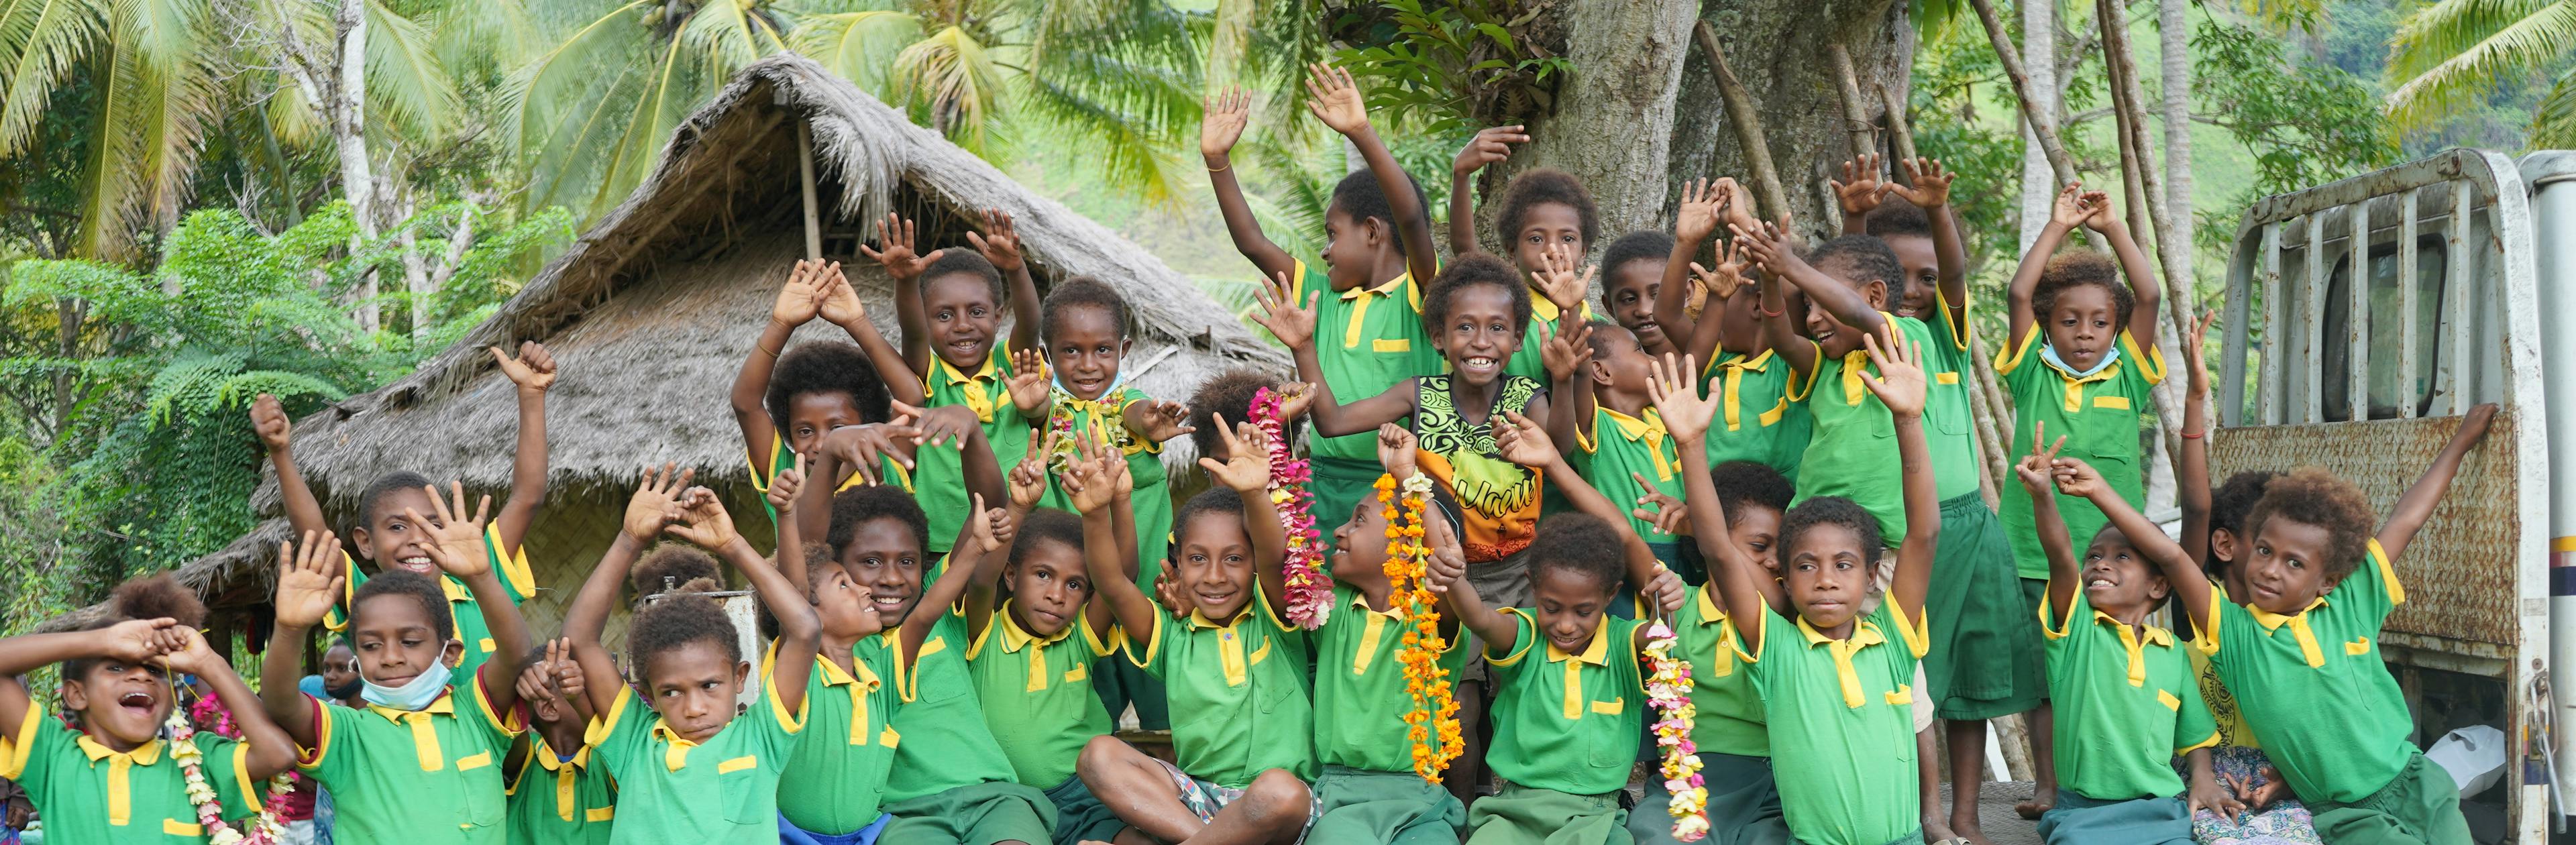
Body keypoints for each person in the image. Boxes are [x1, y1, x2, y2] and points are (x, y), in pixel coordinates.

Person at [2114, 398, 2497, 845]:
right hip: (2344, 814)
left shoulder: (2352, 602)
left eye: (2294, 563)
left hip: (2414, 782)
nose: (2271, 570)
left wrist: (2463, 440)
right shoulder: (2236, 635)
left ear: (2328, 581)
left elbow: (2407, 520)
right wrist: (2099, 490)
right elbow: (2170, 556)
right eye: (2263, 551)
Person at [1659, 323, 1939, 845]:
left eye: (1844, 565)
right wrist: (1691, 445)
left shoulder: (1894, 641)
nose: (1827, 580)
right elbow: (1720, 549)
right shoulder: (1777, 648)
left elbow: (1924, 533)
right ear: (1783, 577)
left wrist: (1908, 420)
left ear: (1872, 571)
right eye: (1807, 566)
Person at [1201, 69, 1442, 551]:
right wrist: (1217, 162)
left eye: (1333, 234)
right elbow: (1252, 241)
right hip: (1323, 479)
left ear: (1373, 233)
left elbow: (1412, 217)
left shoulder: (1423, 290)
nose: (1326, 251)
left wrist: (1360, 131)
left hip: (1392, 480)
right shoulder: (1319, 294)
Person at [1441, 409, 1682, 845]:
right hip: (1511, 813)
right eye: (1552, 607)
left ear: (1611, 598)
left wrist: (1663, 601)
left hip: (1596, 818)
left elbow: (1661, 630)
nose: (1566, 625)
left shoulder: (1625, 644)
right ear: (1532, 589)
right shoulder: (1526, 634)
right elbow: (1477, 617)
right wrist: (1453, 575)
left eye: (1583, 612)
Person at [252, 341, 555, 685]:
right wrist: (281, 452)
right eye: (397, 527)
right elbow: (316, 535)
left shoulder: (482, 581)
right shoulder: (368, 602)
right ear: (365, 543)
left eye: (432, 525)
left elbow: (527, 498)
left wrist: (532, 396)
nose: (417, 540)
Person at [1070, 427, 1317, 845]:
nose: (1216, 577)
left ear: (1254, 564)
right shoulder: (1170, 634)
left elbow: (1277, 561)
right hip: (1199, 798)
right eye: (1198, 559)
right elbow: (1112, 584)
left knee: (1280, 791)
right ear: (1178, 565)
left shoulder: (1274, 619)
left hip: (1276, 808)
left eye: (1235, 559)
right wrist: (1096, 513)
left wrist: (1257, 495)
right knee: (1097, 756)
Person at [259, 484, 536, 845]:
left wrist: (481, 577)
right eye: (373, 646)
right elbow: (280, 701)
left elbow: (516, 654)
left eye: (410, 641)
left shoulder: (478, 715)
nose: (391, 657)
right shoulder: (347, 734)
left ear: (450, 654)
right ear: (357, 662)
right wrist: (289, 629)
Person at [560, 467, 816, 844]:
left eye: (710, 685)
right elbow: (581, 639)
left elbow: (805, 630)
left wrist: (732, 545)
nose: (695, 708)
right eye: (672, 692)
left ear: (741, 677)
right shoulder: (634, 741)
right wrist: (629, 540)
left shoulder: (762, 738)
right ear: (648, 689)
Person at [2013, 439, 2231, 845]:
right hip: (2082, 815)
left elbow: (2196, 737)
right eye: (2094, 556)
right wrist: (2043, 496)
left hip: (2162, 808)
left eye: (2122, 557)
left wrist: (2203, 781)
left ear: (2158, 584)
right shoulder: (2076, 631)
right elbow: (2060, 555)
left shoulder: (2173, 654)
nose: (2101, 563)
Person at [0, 575, 298, 844]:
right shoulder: (52, 756)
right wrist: (99, 640)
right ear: (78, 695)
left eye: (156, 671)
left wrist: (209, 662)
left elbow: (279, 754)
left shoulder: (200, 762)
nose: (141, 676)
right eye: (116, 667)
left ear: (171, 697)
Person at [1303, 424, 1474, 843]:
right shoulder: (1333, 608)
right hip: (1339, 800)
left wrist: (1408, 479)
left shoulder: (1433, 620)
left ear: (1403, 543)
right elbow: (1276, 554)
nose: (1340, 530)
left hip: (1421, 802)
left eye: (1358, 521)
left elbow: (1443, 561)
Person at [965, 451, 1130, 845]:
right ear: (1011, 575)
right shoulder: (985, 630)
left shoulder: (1080, 637)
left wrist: (1119, 503)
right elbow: (979, 584)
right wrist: (1019, 506)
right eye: (1043, 575)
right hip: (1009, 800)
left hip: (1087, 794)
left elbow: (1120, 578)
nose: (1057, 595)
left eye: (1074, 585)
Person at [1632, 461, 1801, 844]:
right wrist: (1555, 464)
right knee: (1654, 833)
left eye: (1782, 548)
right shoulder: (1680, 606)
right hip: (1690, 786)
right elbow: (1625, 537)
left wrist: (1706, 530)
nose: (1775, 560)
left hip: (1775, 791)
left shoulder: (1787, 616)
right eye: (1760, 546)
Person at [868, 209, 1049, 554]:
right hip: (946, 543)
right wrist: (905, 281)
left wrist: (1015, 267)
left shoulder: (1011, 367)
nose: (963, 325)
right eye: (944, 315)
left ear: (998, 317)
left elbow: (1031, 322)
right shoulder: (927, 375)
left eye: (977, 312)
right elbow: (913, 331)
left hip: (1025, 536)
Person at [731, 258, 922, 524]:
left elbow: (911, 399)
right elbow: (745, 404)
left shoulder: (888, 466)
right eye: (805, 431)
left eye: (837, 429)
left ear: (868, 426)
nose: (822, 445)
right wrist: (780, 324)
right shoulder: (787, 481)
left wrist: (857, 322)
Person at [1651, 180, 1807, 483]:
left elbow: (1792, 292)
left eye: (1727, 293)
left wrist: (1743, 223)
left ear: (1757, 305)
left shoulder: (1790, 366)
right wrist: (1685, 243)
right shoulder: (1717, 364)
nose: (1713, 304)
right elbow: (1666, 315)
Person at [1447, 125, 1598, 383]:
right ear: (1511, 251)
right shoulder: (1504, 305)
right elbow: (1465, 251)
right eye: (1536, 239)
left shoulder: (1592, 320)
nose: (1552, 251)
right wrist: (1461, 175)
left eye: (1568, 239)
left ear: (1583, 253)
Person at [1565, 318, 1689, 572]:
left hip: (1685, 554)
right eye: (1639, 349)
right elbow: (1579, 368)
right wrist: (1570, 307)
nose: (1653, 358)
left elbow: (1697, 355)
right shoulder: (1598, 428)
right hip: (1628, 562)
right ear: (1601, 372)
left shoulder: (1663, 417)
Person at [502, 640, 612, 845]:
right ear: (549, 708)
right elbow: (509, 731)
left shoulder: (608, 760)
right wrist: (529, 690)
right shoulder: (525, 757)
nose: (604, 700)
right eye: (587, 692)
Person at [1597, 231, 1681, 361]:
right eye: (1629, 299)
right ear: (1610, 307)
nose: (1644, 310)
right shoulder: (1611, 368)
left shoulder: (1714, 352)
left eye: (1657, 295)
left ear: (1686, 294)